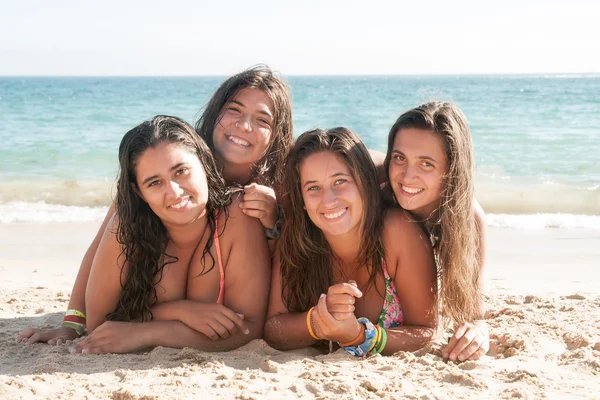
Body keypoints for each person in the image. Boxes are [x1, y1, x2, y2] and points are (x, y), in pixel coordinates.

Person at [18, 65, 292, 345]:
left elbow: (296, 261)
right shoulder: (172, 159)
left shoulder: (281, 185)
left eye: (262, 120)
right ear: (216, 113)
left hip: (240, 298)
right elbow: (100, 247)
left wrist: (275, 221)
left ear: (278, 132)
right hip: (168, 301)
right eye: (234, 110)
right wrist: (73, 321)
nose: (244, 125)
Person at [264, 127, 438, 356]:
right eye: (313, 187)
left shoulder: (397, 231)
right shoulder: (298, 237)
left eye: (340, 182)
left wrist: (359, 335)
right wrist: (316, 320)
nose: (328, 200)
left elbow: (426, 333)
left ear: (364, 184)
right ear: (303, 200)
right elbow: (274, 329)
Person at [384, 101, 488, 361]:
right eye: (400, 158)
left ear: (451, 169)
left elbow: (474, 311)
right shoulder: (374, 186)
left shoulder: (468, 219)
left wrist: (477, 332)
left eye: (426, 164)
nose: (407, 176)